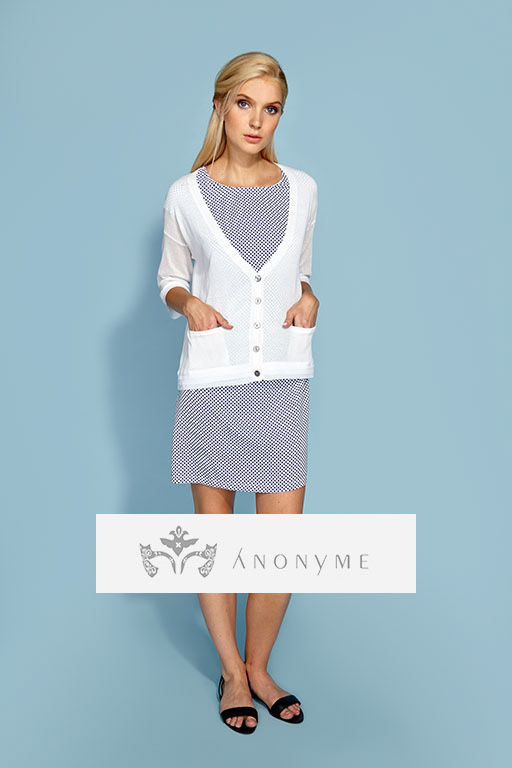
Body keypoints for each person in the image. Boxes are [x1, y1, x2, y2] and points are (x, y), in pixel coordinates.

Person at [157, 51, 320, 734]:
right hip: (213, 386)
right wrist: (188, 303)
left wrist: (311, 298)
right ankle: (231, 672)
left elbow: (301, 273)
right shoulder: (186, 195)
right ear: (221, 105)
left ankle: (260, 667)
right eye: (245, 103)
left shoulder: (303, 189)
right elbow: (170, 279)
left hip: (281, 383)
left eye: (271, 108)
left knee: (280, 547)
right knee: (215, 543)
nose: (257, 120)